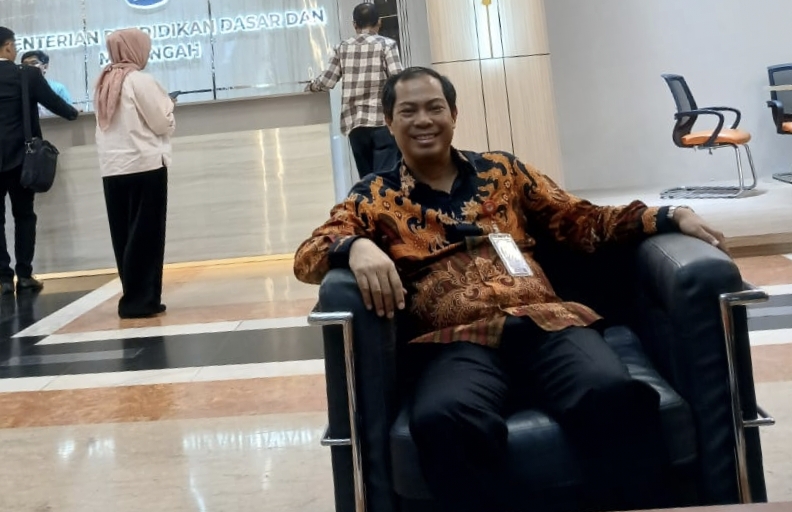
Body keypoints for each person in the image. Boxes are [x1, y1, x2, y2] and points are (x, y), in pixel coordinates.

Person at [294, 67, 729, 512]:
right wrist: (355, 246)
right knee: (443, 419)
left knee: (610, 392)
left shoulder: (502, 171)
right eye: (408, 111)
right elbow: (308, 255)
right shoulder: (374, 196)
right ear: (389, 122)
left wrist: (669, 214)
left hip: (547, 323)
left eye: (434, 108)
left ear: (454, 114)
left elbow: (581, 218)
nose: (423, 120)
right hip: (455, 342)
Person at [94, 28, 173, 319]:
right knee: (147, 236)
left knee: (124, 236)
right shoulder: (140, 80)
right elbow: (160, 122)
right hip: (144, 165)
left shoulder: (103, 80)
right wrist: (171, 110)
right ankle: (142, 301)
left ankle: (134, 296)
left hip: (112, 168)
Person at [0, 27, 79, 295]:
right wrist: (73, 114)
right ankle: (24, 275)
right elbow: (57, 104)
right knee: (24, 215)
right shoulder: (27, 75)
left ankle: (2, 278)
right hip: (22, 159)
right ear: (8, 46)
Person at [305, 2, 403, 179]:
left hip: (355, 124)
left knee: (367, 180)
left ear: (354, 24)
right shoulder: (387, 45)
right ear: (379, 22)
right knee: (387, 179)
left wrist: (312, 86)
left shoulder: (342, 48)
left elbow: (327, 81)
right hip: (382, 121)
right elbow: (398, 79)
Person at [20, 50, 74, 116]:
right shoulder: (18, 89)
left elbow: (69, 113)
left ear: (45, 67)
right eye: (25, 64)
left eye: (34, 63)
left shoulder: (58, 89)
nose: (29, 67)